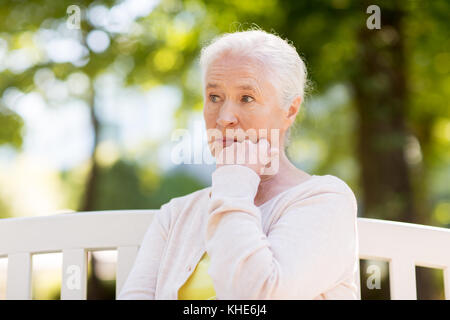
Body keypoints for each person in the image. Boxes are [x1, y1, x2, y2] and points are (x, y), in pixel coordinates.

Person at [117, 28, 360, 300]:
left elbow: (256, 298)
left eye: (246, 98)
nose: (224, 117)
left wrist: (236, 178)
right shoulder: (176, 215)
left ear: (290, 110)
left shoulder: (326, 200)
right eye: (214, 97)